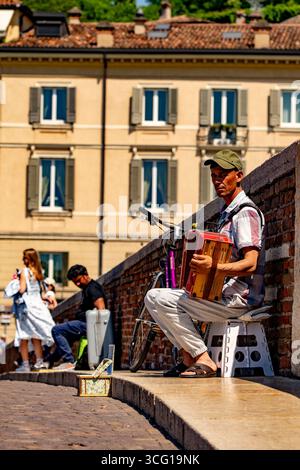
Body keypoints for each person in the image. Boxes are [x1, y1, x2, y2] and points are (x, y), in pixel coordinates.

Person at [145, 150, 265, 378]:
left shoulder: (245, 213)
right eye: (214, 175)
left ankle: (203, 359)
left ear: (239, 176)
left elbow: (250, 264)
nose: (217, 180)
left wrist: (213, 268)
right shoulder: (226, 213)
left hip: (239, 299)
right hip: (223, 295)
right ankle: (189, 356)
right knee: (153, 297)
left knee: (159, 298)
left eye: (223, 175)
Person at [48, 264, 106, 371]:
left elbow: (101, 309)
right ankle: (49, 360)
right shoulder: (86, 288)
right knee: (65, 337)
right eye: (75, 282)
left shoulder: (93, 288)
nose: (77, 284)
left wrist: (95, 331)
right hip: (84, 323)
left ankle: (69, 361)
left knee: (57, 330)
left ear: (85, 275)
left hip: (88, 324)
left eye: (78, 280)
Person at [14, 248, 55, 372]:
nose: (23, 260)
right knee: (36, 335)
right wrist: (48, 300)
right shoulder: (39, 272)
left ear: (29, 259)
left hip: (27, 306)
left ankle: (25, 365)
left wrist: (15, 282)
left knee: (24, 336)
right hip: (38, 304)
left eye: (24, 257)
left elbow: (22, 290)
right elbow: (42, 293)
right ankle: (39, 362)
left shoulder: (24, 272)